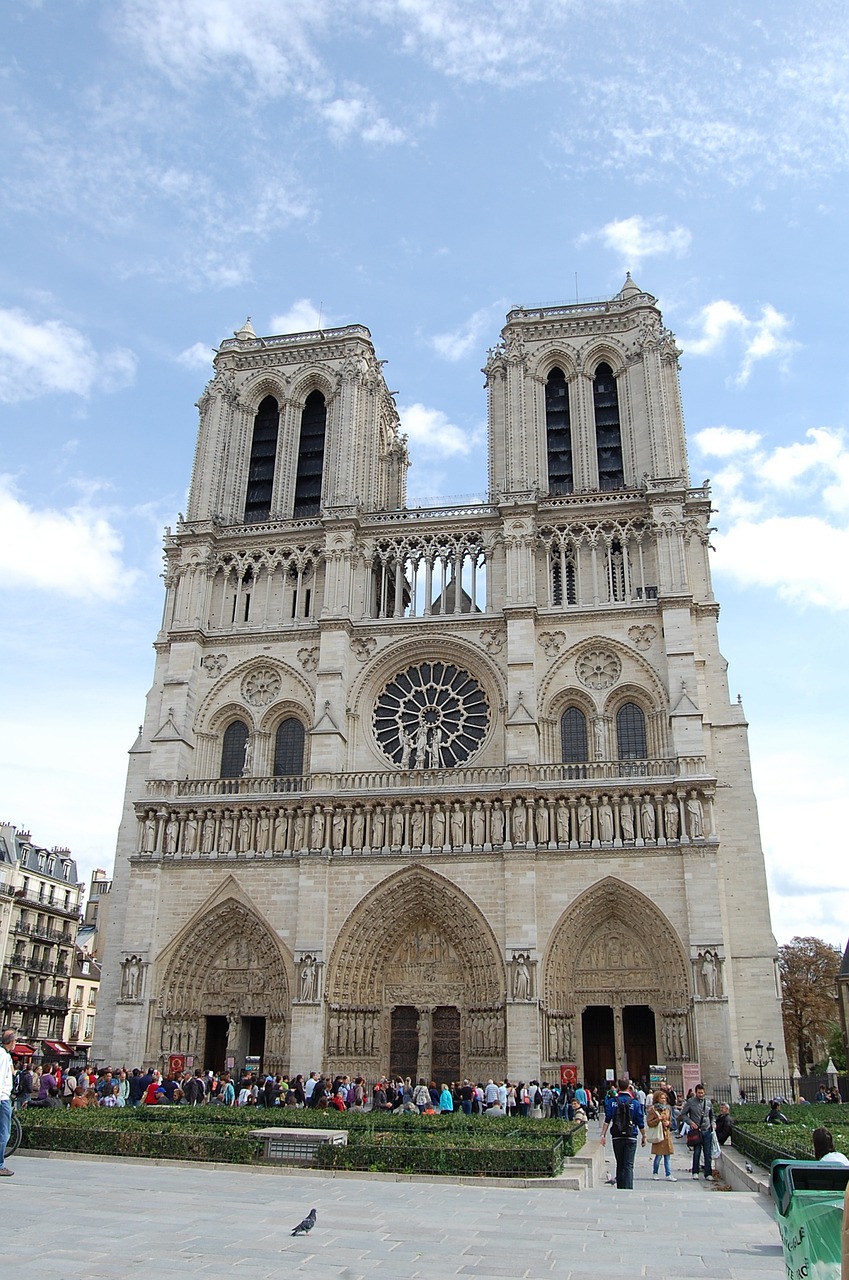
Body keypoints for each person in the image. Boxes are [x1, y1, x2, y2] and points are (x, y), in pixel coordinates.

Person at [600, 1078, 646, 1189]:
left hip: (617, 1135)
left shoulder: (612, 1102)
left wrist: (603, 1135)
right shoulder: (634, 1102)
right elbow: (640, 1121)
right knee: (628, 1165)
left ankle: (620, 1188)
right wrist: (644, 1135)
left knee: (619, 1163)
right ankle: (628, 1188)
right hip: (631, 1135)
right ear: (629, 1087)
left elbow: (607, 1119)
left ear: (618, 1087)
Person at [679, 1083, 715, 1179]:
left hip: (707, 1129)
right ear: (696, 1093)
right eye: (699, 1093)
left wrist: (713, 1124)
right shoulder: (690, 1102)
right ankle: (695, 1171)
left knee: (707, 1153)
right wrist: (690, 1122)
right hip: (696, 1130)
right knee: (697, 1152)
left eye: (702, 1093)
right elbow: (683, 1114)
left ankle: (708, 1173)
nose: (701, 1094)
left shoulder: (708, 1103)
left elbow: (712, 1116)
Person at [647, 1088, 677, 1181]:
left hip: (666, 1135)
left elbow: (671, 1120)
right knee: (658, 1155)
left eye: (664, 1098)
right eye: (661, 1098)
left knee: (667, 1156)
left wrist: (669, 1123)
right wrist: (658, 1120)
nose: (664, 1100)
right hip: (659, 1135)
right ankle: (655, 1172)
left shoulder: (667, 1109)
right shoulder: (653, 1110)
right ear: (657, 1099)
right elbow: (649, 1123)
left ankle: (668, 1174)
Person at [0, 1028, 17, 1176]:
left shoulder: (5, 1055)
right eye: (15, 1041)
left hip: (3, 1097)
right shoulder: (3, 1056)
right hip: (2, 1098)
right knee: (4, 1133)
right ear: (11, 1042)